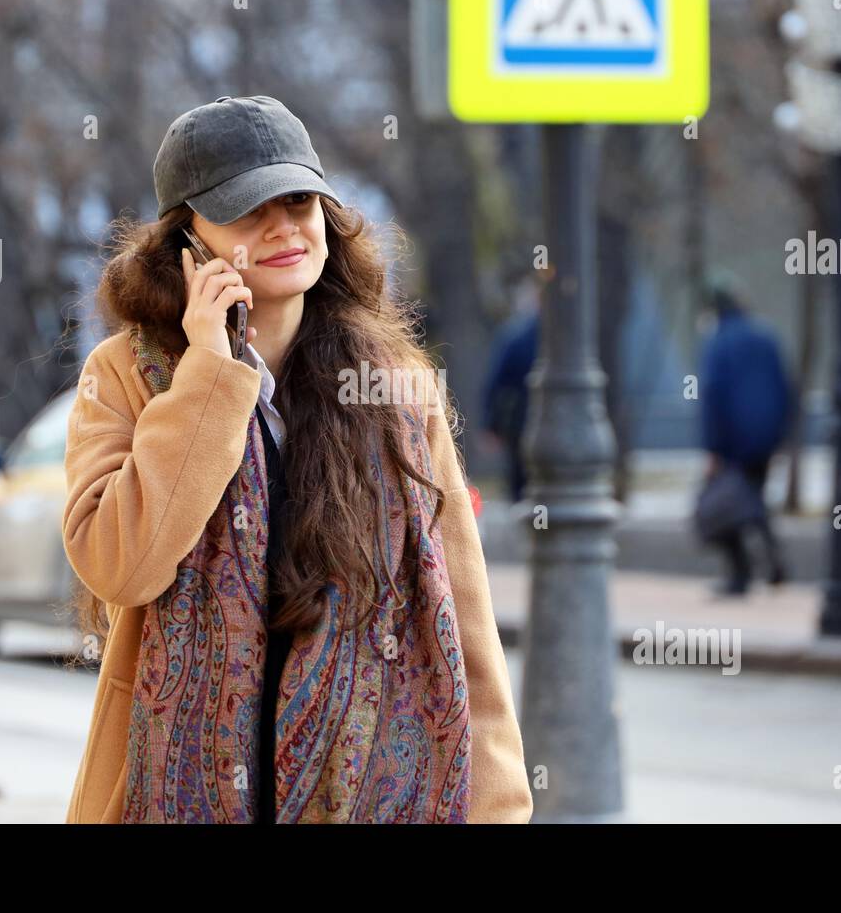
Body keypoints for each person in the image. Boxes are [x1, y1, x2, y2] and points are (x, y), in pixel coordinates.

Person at [61, 95, 531, 824]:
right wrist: (211, 377)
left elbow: (461, 613)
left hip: (363, 792)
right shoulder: (125, 372)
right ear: (187, 240)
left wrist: (499, 804)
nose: (285, 227)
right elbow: (121, 562)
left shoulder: (392, 384)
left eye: (301, 200)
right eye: (250, 209)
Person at [697, 273, 794, 596]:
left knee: (725, 505)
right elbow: (785, 386)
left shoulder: (718, 342)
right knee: (752, 500)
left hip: (733, 442)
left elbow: (713, 395)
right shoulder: (766, 336)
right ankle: (775, 562)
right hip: (765, 437)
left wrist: (713, 448)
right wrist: (782, 432)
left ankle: (740, 575)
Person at [481, 294, 539, 503]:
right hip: (527, 421)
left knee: (522, 484)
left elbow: (496, 384)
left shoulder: (516, 337)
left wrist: (491, 425)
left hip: (521, 423)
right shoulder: (523, 337)